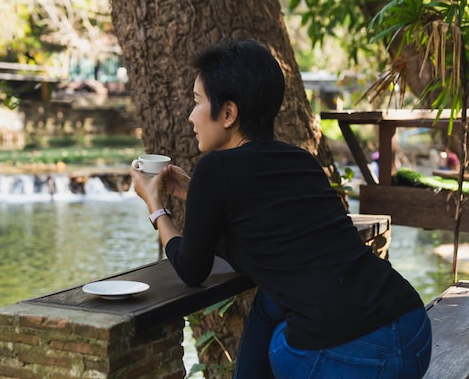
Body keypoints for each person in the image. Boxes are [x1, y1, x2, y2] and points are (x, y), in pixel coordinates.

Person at [131, 39, 432, 379]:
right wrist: (195, 195)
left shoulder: (215, 168)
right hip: (414, 330)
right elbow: (258, 220)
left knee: (279, 342)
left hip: (365, 357)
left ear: (228, 113)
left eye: (197, 102)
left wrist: (156, 208)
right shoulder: (299, 159)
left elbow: (190, 268)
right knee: (270, 302)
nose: (190, 116)